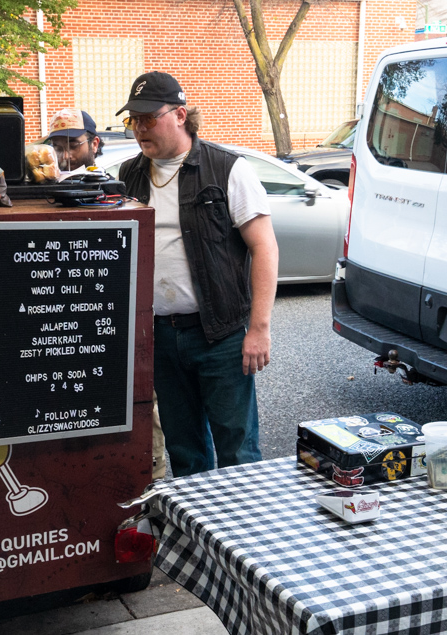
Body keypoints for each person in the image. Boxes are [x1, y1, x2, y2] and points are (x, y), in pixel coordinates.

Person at [117, 72, 279, 477]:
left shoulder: (227, 169)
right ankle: (201, 537)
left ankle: (243, 535)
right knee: (185, 450)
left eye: (148, 118)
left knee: (237, 450)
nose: (139, 128)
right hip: (159, 336)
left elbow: (264, 247)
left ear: (180, 115)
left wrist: (259, 329)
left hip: (219, 334)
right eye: (132, 120)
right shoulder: (128, 176)